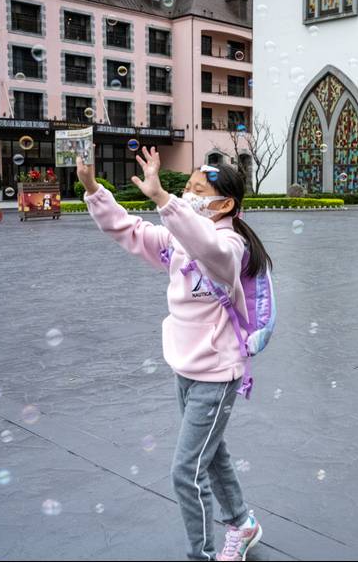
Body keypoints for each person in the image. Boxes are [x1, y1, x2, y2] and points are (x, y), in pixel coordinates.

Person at [77, 148, 268, 561]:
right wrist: (93, 189)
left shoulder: (230, 245)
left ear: (225, 204)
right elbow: (129, 230)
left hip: (218, 374)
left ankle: (201, 554)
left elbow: (211, 252)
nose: (188, 195)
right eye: (187, 188)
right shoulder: (177, 241)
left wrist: (164, 200)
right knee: (211, 454)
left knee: (186, 471)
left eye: (199, 190)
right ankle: (243, 521)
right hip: (185, 368)